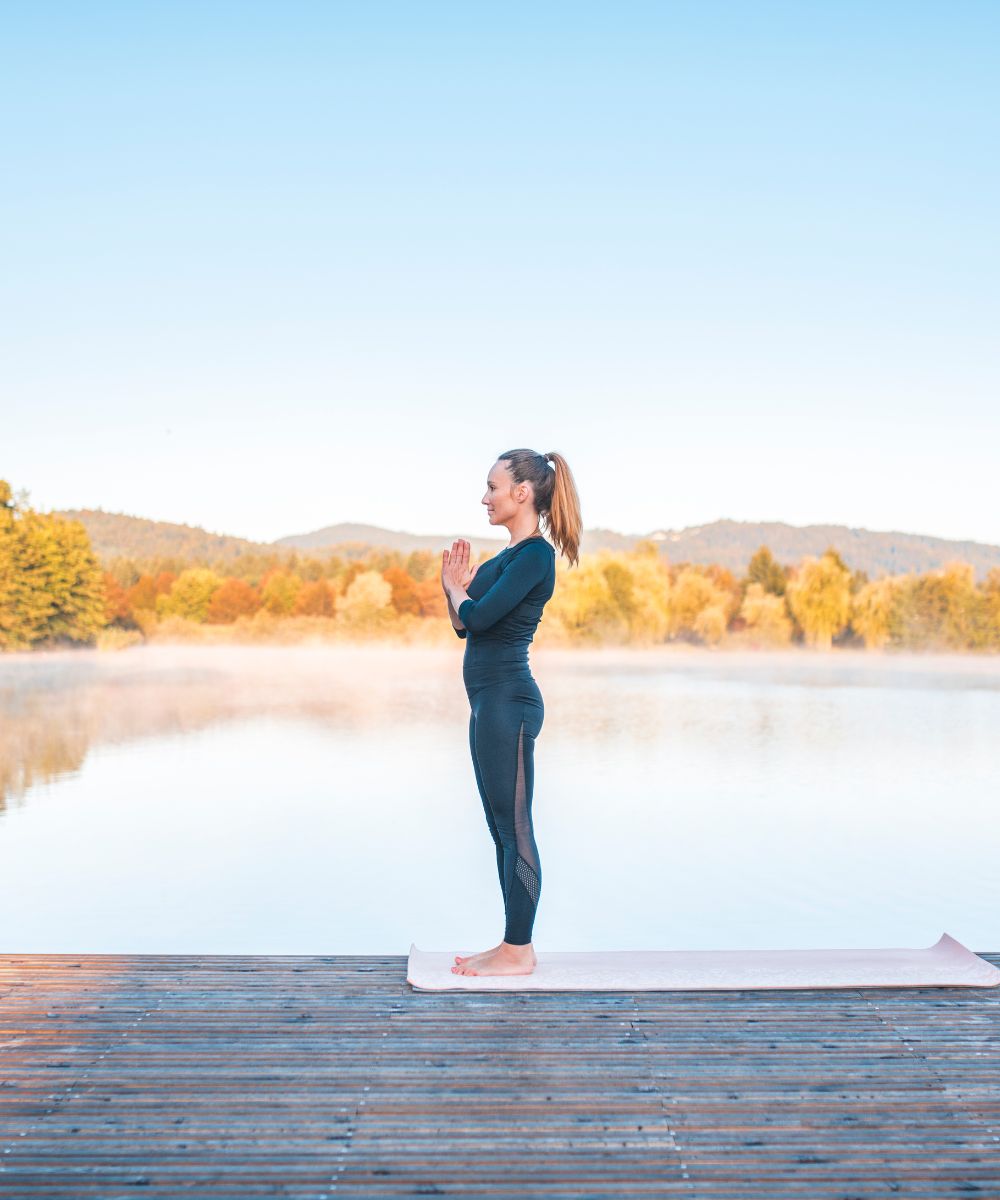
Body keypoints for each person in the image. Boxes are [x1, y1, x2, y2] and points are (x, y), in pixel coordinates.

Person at [441, 449, 581, 976]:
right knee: (500, 827)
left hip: (509, 703)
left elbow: (477, 616)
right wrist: (450, 589)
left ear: (522, 492)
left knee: (516, 826)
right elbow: (463, 622)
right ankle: (509, 945)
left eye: (493, 487)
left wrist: (458, 592)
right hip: (487, 703)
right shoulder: (506, 559)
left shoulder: (533, 558)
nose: (485, 497)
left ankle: (519, 951)